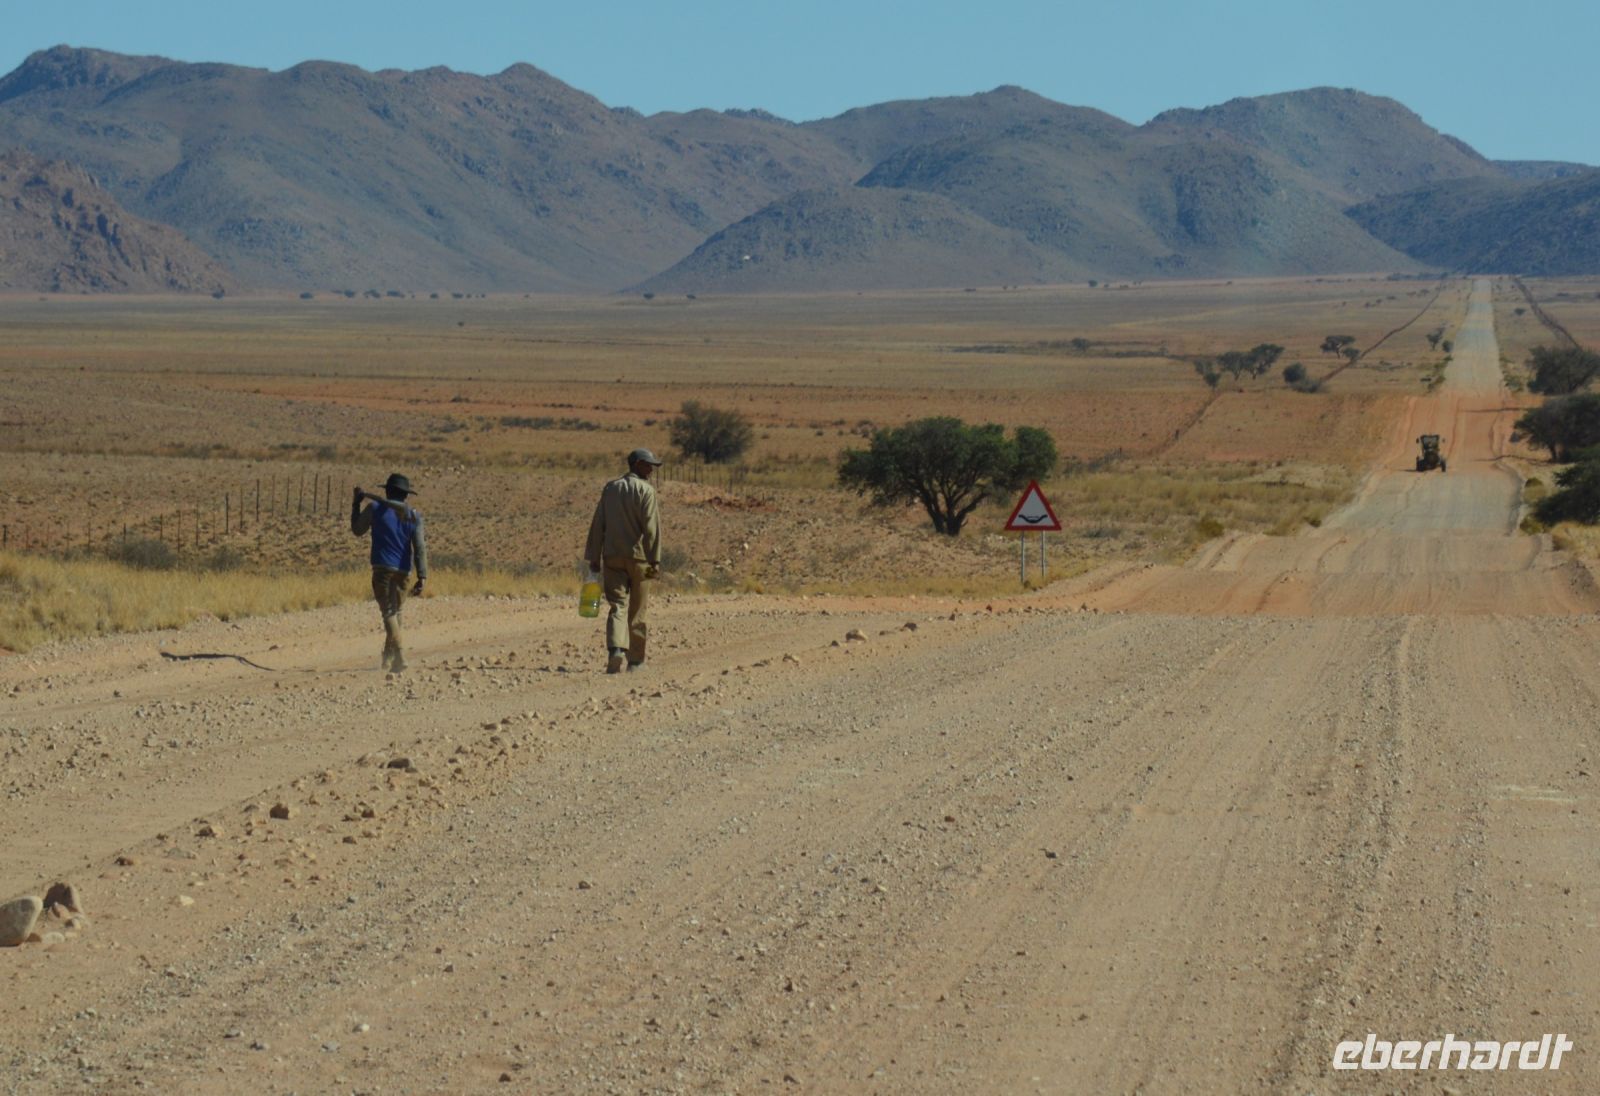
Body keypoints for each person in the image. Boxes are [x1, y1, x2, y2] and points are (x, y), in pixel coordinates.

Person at [585, 448, 663, 673]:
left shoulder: (611, 488)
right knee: (638, 610)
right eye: (648, 465)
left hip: (612, 557)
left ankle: (616, 651)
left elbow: (598, 523)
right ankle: (636, 661)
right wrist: (654, 562)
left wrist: (594, 557)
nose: (651, 470)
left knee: (617, 605)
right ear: (637, 464)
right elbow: (652, 529)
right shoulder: (646, 491)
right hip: (641, 560)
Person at [351, 473, 429, 673]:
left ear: (386, 491)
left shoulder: (375, 508)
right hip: (404, 571)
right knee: (397, 612)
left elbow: (357, 530)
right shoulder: (414, 516)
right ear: (405, 495)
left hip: (382, 568)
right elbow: (419, 547)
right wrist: (422, 575)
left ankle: (401, 655)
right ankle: (388, 658)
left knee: (388, 613)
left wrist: (355, 505)